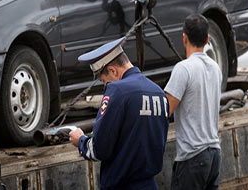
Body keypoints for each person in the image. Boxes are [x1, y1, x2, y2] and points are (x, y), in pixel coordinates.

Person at [69, 37, 169, 190]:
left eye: (104, 81)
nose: (105, 86)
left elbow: (99, 149)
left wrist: (80, 140)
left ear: (113, 71)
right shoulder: (159, 92)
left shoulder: (117, 90)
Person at [164, 14, 222, 190]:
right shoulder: (215, 67)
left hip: (193, 157)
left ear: (184, 37)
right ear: (207, 39)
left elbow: (165, 111)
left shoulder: (183, 69)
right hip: (214, 154)